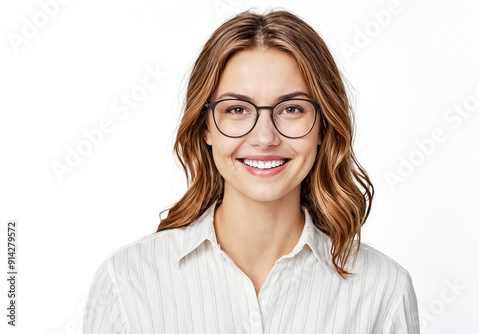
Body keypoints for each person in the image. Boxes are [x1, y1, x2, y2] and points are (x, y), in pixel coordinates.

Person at [83, 8, 420, 334]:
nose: (264, 138)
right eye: (237, 109)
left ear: (323, 126)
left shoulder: (384, 290)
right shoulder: (127, 282)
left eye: (291, 109)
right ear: (206, 128)